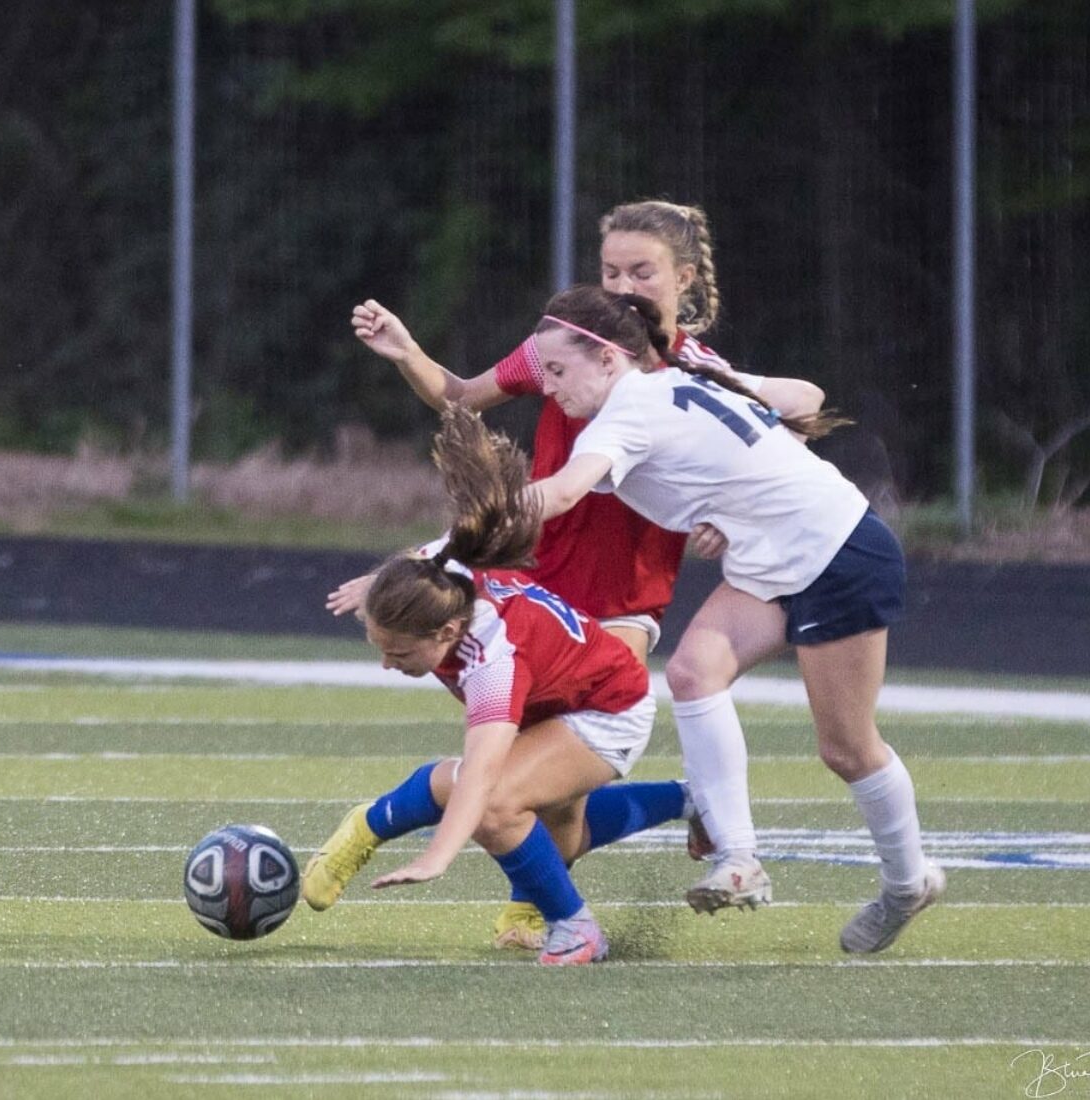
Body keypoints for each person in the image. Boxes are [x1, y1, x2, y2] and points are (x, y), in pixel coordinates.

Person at [343, 201, 823, 949]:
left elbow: (797, 410)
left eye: (643, 271)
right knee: (539, 777)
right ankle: (577, 882)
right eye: (610, 270)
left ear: (684, 279)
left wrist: (724, 509)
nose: (624, 283)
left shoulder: (690, 371)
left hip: (627, 596)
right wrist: (408, 352)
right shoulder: (563, 348)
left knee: (555, 771)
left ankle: (553, 911)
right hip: (534, 579)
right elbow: (464, 398)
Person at [518, 285, 943, 954]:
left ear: (606, 357)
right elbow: (795, 401)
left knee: (847, 749)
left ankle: (907, 882)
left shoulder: (627, 411)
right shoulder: (672, 379)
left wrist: (486, 511)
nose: (548, 386)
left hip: (836, 551)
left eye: (558, 370)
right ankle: (739, 858)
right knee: (692, 673)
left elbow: (567, 491)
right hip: (775, 559)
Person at [302, 405, 693, 966]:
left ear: (448, 631)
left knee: (496, 806)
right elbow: (423, 555)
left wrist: (438, 856)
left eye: (401, 653)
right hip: (555, 692)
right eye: (379, 648)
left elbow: (482, 774)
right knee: (558, 840)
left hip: (607, 709)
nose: (388, 666)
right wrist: (378, 583)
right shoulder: (440, 574)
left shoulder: (492, 658)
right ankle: (690, 799)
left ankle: (577, 929)